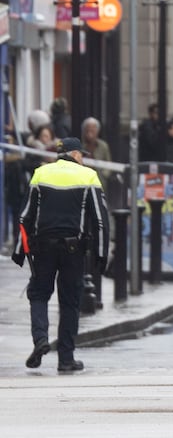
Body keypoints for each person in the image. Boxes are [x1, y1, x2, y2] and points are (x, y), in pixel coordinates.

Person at [15, 137, 108, 373]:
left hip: (43, 247)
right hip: (74, 249)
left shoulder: (40, 174)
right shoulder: (88, 176)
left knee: (38, 294)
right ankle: (66, 358)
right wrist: (101, 253)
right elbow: (100, 219)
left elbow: (25, 216)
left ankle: (41, 339)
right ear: (75, 154)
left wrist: (19, 251)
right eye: (82, 154)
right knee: (69, 301)